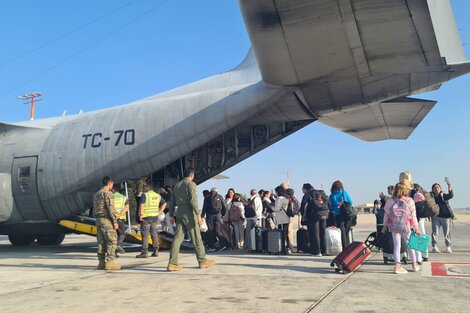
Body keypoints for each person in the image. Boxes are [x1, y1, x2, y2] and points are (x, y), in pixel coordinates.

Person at [167, 169, 214, 271]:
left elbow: (172, 202)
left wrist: (171, 215)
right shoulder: (191, 184)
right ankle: (202, 261)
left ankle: (172, 263)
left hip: (179, 212)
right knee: (196, 237)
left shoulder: (177, 185)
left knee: (177, 238)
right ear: (192, 175)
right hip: (189, 212)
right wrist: (198, 214)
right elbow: (193, 200)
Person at [383, 182, 421, 274]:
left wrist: (384, 226)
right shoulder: (409, 200)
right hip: (406, 226)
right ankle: (414, 264)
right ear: (406, 190)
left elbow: (386, 215)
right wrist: (416, 227)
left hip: (394, 226)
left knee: (397, 245)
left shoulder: (390, 201)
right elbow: (413, 215)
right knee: (409, 245)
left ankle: (397, 265)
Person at [93, 176, 120, 270]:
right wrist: (115, 221)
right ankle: (110, 262)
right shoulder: (108, 194)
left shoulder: (97, 194)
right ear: (109, 183)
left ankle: (101, 262)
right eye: (112, 184)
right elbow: (110, 208)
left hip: (98, 220)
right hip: (106, 220)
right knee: (112, 240)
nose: (112, 185)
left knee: (101, 241)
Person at [136, 184, 167, 258]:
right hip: (155, 217)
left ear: (146, 188)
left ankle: (144, 252)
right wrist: (159, 212)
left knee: (145, 235)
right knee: (154, 233)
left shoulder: (145, 195)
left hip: (146, 217)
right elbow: (164, 203)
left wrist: (140, 214)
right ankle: (156, 250)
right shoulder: (157, 195)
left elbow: (142, 205)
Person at [301, 183, 328, 256]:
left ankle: (316, 251)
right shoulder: (321, 193)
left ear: (306, 189)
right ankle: (324, 250)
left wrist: (303, 217)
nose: (302, 191)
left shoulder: (307, 195)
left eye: (302, 189)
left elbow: (303, 207)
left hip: (313, 216)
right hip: (324, 215)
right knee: (322, 232)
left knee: (314, 233)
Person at [431, 181, 455, 253]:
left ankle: (448, 247)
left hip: (446, 217)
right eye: (434, 188)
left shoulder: (443, 195)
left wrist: (449, 187)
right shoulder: (431, 197)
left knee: (446, 233)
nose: (436, 189)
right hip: (435, 217)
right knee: (435, 232)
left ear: (440, 188)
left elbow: (451, 195)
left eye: (438, 187)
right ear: (432, 189)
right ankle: (434, 247)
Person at [329, 181, 353, 249]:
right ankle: (348, 246)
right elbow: (351, 202)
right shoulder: (344, 193)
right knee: (346, 231)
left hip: (338, 215)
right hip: (347, 214)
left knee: (342, 232)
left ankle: (344, 247)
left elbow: (330, 206)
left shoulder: (332, 195)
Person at [272, 186, 292, 254]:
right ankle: (288, 248)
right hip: (286, 218)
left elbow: (277, 208)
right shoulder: (285, 198)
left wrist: (271, 206)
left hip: (281, 219)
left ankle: (282, 249)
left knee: (282, 234)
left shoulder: (279, 198)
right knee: (286, 234)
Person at [112, 184, 129, 255]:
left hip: (112, 218)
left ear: (113, 189)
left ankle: (114, 253)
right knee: (122, 233)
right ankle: (119, 245)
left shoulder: (111, 197)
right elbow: (126, 208)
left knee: (113, 235)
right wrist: (120, 214)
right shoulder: (124, 197)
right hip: (121, 218)